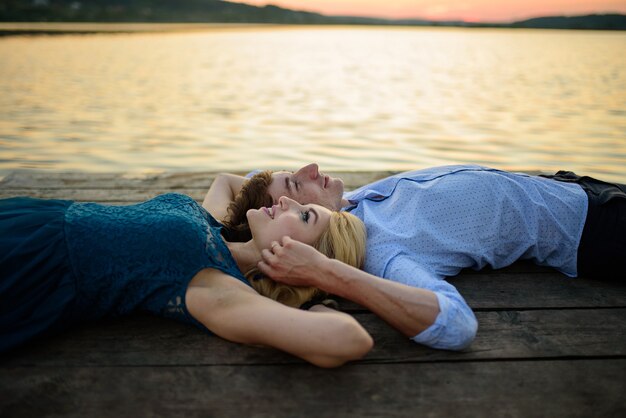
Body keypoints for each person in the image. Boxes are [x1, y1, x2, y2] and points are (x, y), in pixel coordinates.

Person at [208, 164, 626, 351]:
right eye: (296, 190)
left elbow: (232, 182)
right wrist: (326, 272)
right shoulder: (386, 252)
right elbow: (456, 325)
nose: (312, 168)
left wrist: (238, 231)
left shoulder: (346, 207)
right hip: (595, 230)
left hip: (575, 188)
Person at [0, 192, 372, 368]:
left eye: (306, 217)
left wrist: (321, 277)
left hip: (32, 264)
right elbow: (227, 182)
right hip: (32, 221)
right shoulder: (216, 229)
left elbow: (349, 339)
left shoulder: (215, 286)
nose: (288, 199)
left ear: (307, 256)